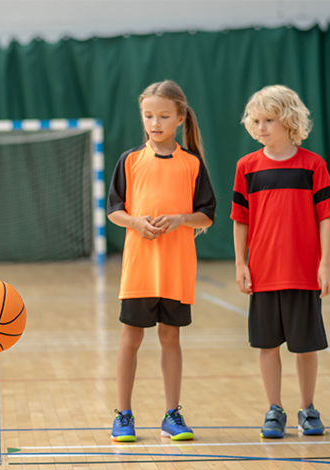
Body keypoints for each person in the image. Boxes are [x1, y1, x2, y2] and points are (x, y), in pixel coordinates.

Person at [107, 81, 216, 442]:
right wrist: (137, 222)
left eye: (164, 116)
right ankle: (123, 415)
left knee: (171, 339)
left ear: (180, 118)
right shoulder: (130, 160)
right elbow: (115, 211)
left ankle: (172, 414)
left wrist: (182, 219)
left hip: (176, 271)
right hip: (139, 270)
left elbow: (207, 216)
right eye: (149, 115)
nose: (155, 122)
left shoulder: (192, 164)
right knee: (130, 339)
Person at [231, 85, 330, 438]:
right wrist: (240, 263)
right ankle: (274, 410)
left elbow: (327, 216)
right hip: (263, 273)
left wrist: (325, 264)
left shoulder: (313, 165)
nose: (261, 127)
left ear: (289, 120)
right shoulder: (246, 167)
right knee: (267, 346)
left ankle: (308, 409)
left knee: (306, 347)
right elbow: (240, 219)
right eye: (256, 120)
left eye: (269, 120)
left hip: (303, 273)